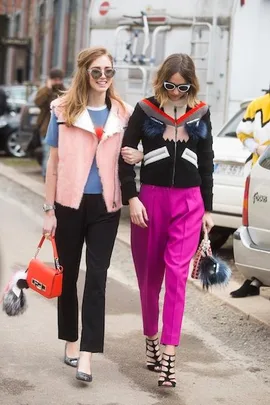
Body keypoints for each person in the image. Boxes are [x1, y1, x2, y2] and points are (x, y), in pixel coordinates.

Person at [42, 46, 141, 383]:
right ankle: (70, 340)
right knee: (67, 275)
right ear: (84, 72)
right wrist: (48, 210)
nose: (103, 77)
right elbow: (52, 166)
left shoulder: (124, 114)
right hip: (68, 204)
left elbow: (132, 156)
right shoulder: (61, 109)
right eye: (96, 71)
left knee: (97, 278)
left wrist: (137, 155)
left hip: (105, 207)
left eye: (108, 72)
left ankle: (87, 355)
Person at [119, 53, 214, 388]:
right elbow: (124, 156)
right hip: (150, 200)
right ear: (161, 81)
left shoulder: (200, 111)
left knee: (177, 275)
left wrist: (209, 208)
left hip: (189, 203)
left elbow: (206, 161)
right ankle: (151, 339)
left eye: (182, 87)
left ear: (192, 84)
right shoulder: (145, 109)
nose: (176, 92)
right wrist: (131, 197)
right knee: (149, 278)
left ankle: (170, 355)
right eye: (170, 86)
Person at [230, 91, 270, 298]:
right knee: (254, 229)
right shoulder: (258, 104)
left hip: (260, 175)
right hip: (260, 175)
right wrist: (258, 148)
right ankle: (254, 280)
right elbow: (242, 132)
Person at [34, 68, 65, 178]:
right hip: (46, 129)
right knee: (48, 155)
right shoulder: (45, 91)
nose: (57, 82)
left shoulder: (65, 91)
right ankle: (46, 178)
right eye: (54, 79)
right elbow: (38, 102)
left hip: (63, 129)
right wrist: (48, 88)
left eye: (59, 79)